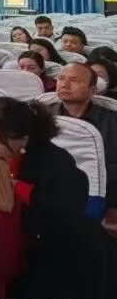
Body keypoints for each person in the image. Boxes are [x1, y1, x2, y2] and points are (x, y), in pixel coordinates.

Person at [0, 98, 93, 299]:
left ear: (19, 138)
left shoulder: (56, 164)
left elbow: (62, 219)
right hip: (3, 247)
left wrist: (18, 189)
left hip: (48, 255)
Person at [44, 62, 117, 226]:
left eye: (74, 80)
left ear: (93, 91)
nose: (65, 84)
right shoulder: (43, 114)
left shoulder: (112, 121)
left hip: (95, 192)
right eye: (61, 78)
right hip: (48, 186)